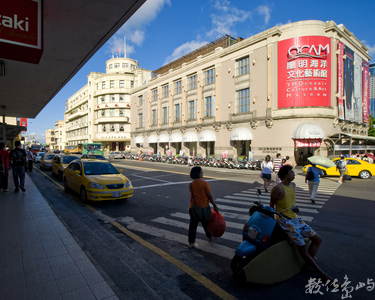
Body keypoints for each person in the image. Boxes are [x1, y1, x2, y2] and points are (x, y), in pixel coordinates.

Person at [270, 165, 336, 285]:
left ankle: (308, 265)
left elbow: (290, 202)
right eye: (291, 172)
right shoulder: (277, 188)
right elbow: (271, 205)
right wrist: (274, 220)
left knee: (317, 239)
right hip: (285, 221)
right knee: (302, 248)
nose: (294, 174)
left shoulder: (292, 185)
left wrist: (294, 208)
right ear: (285, 174)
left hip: (296, 219)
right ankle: (321, 273)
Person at [188, 166, 219, 249]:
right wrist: (214, 205)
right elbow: (209, 195)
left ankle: (191, 243)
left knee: (193, 225)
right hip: (203, 208)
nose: (203, 173)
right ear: (199, 174)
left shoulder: (191, 184)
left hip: (193, 208)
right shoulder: (204, 183)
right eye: (202, 172)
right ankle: (210, 237)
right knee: (206, 224)